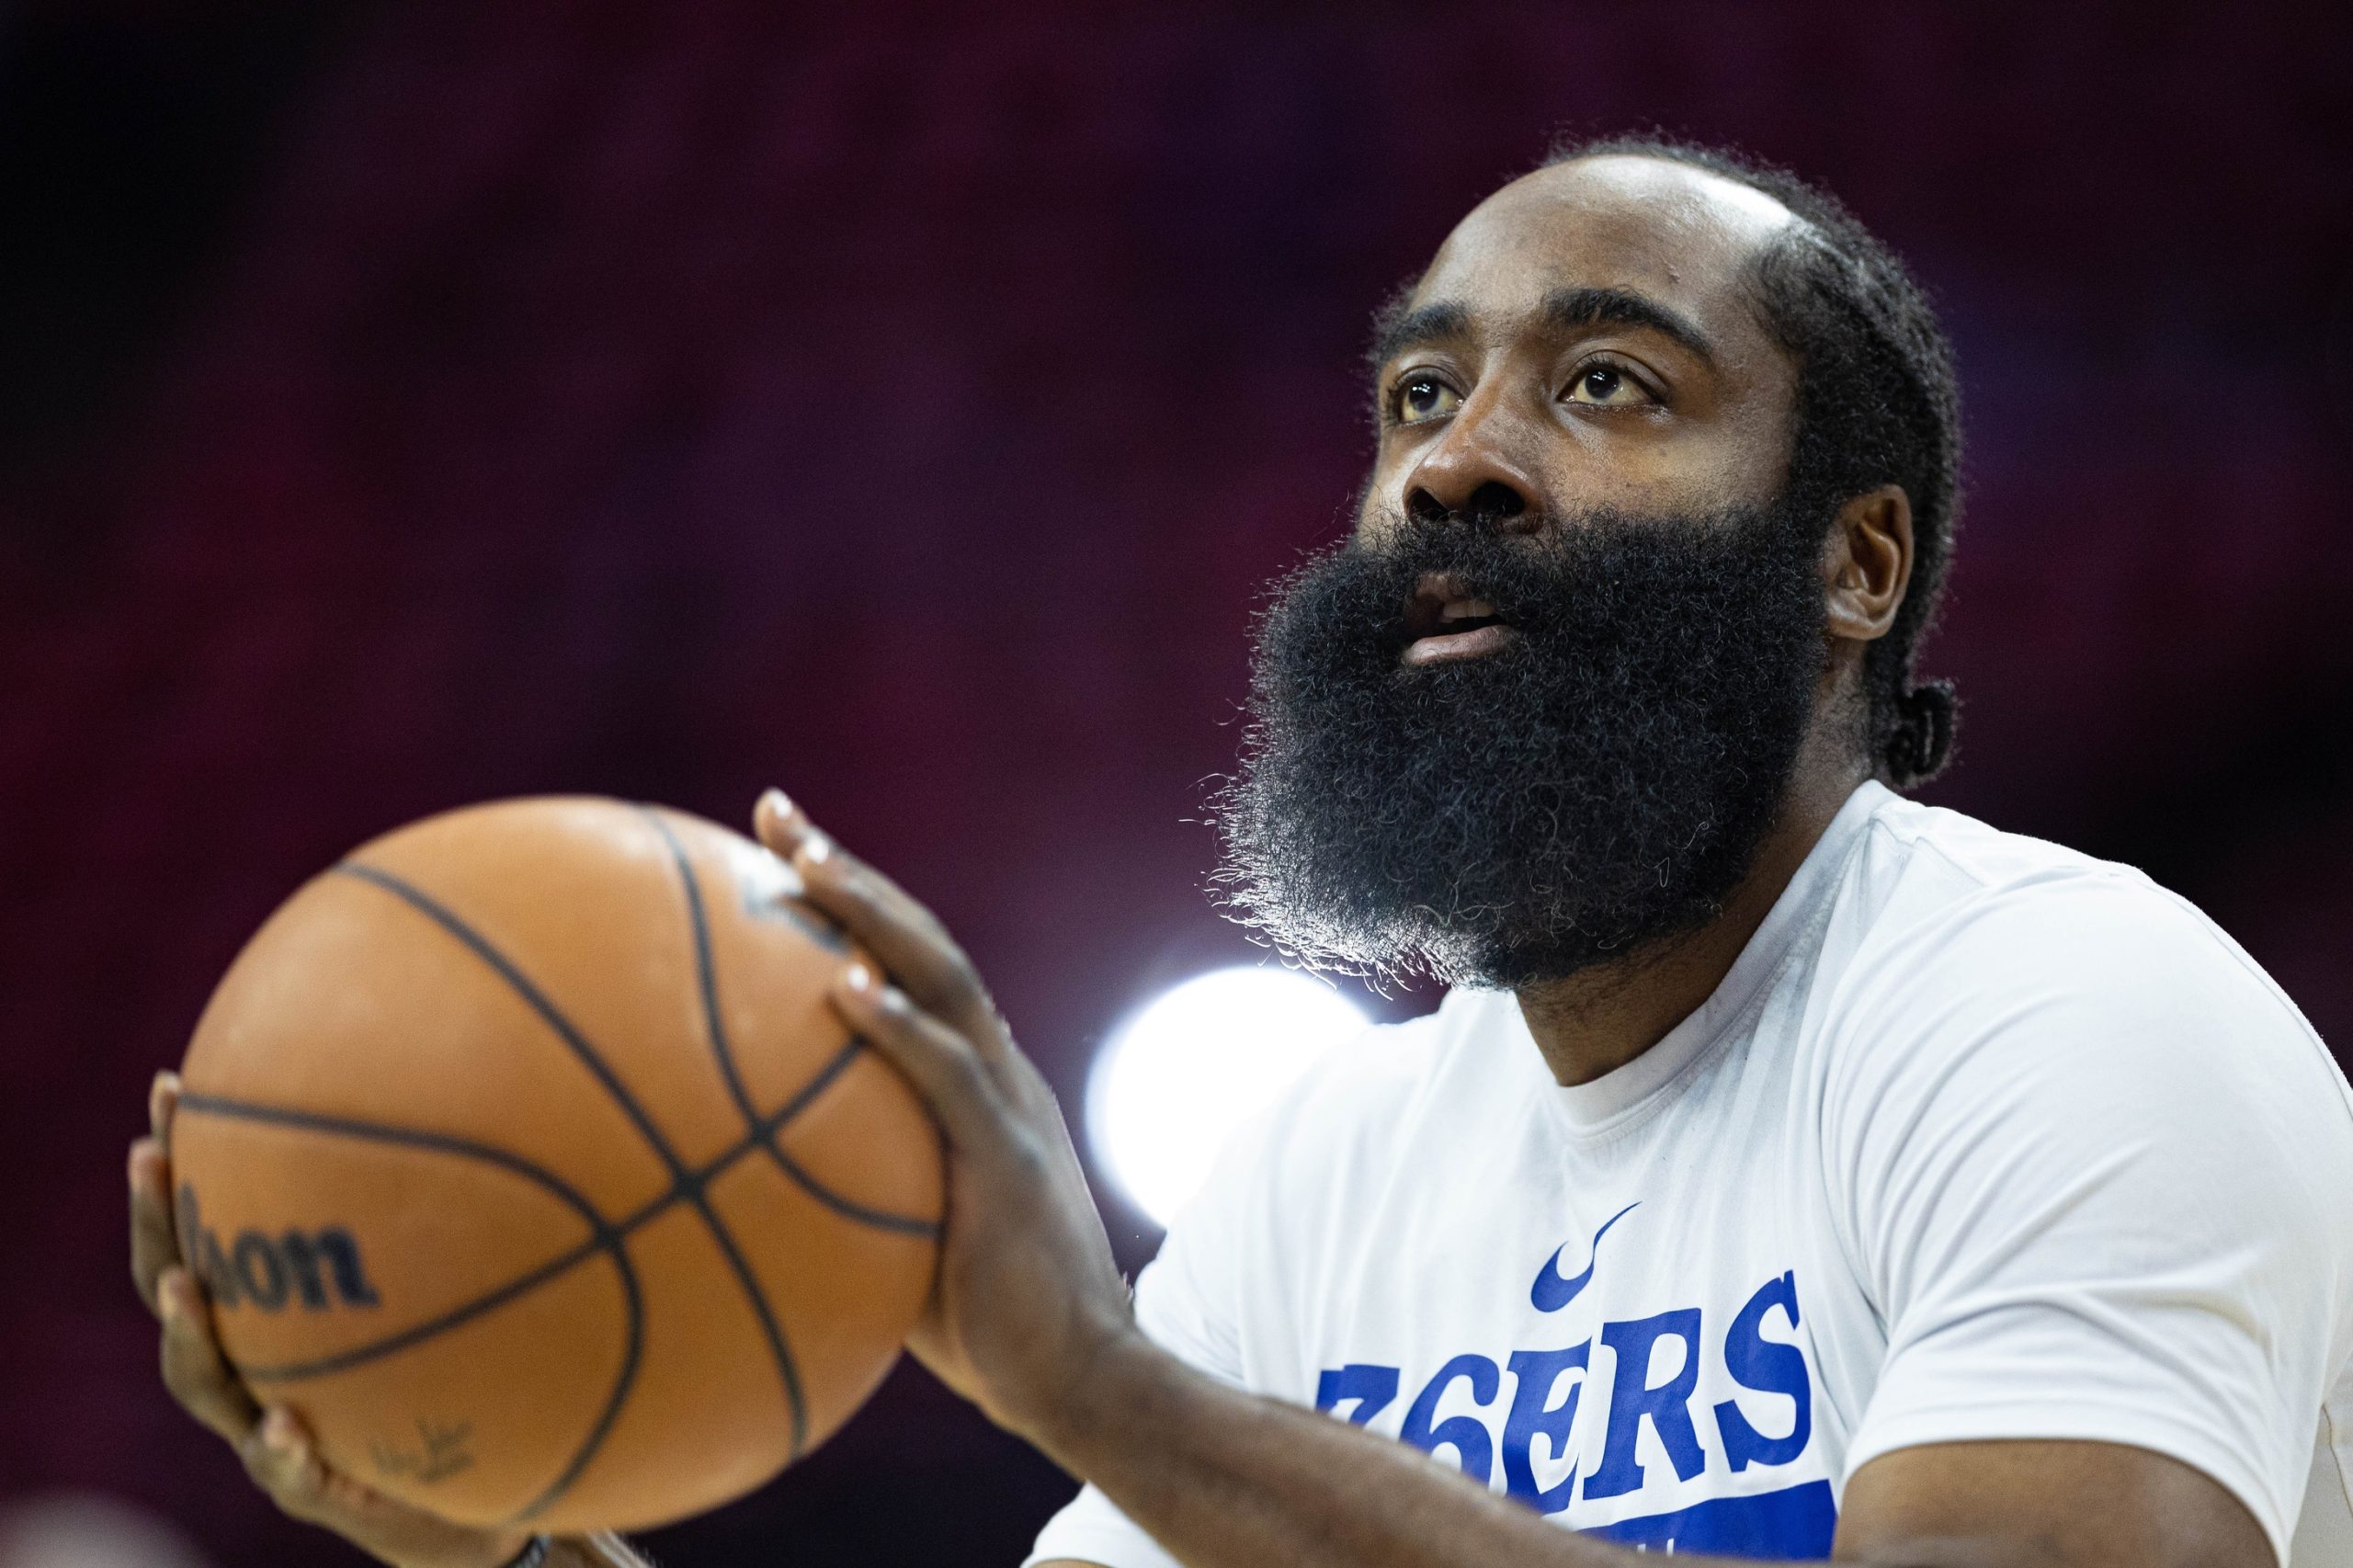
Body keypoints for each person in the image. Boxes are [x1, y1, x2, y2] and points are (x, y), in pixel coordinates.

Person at [127, 137, 2353, 1568]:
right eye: (1415, 395)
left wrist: (1095, 1385)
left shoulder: (2061, 1014)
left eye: (1605, 385)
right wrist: (517, 1522)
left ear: (1851, 564)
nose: (1457, 466)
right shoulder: (1332, 1169)